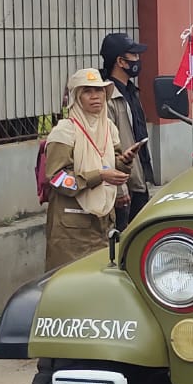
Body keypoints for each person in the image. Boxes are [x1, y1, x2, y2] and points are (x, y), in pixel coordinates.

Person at [43, 68, 140, 271]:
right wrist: (100, 176)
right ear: (77, 97)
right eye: (87, 91)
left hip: (104, 222)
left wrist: (125, 161)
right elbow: (57, 178)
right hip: (72, 228)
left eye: (99, 91)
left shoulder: (109, 128)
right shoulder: (64, 131)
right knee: (70, 283)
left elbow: (113, 164)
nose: (95, 96)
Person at [99, 32, 154, 229]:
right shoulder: (108, 97)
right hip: (124, 185)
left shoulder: (130, 91)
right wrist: (121, 188)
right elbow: (106, 147)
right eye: (134, 56)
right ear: (121, 61)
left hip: (138, 180)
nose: (138, 60)